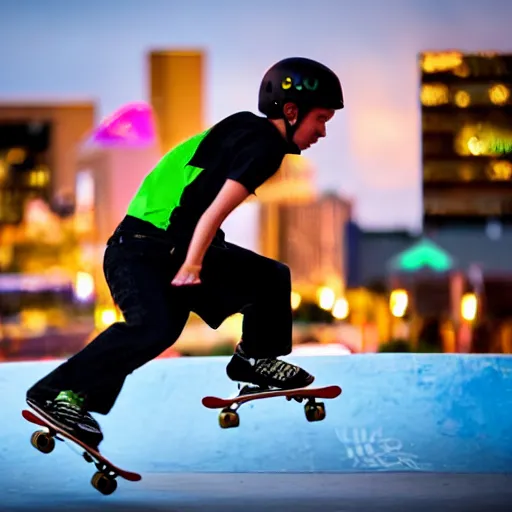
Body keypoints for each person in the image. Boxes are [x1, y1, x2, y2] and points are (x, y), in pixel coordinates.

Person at [25, 57, 344, 449]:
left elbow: (196, 200)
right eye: (322, 119)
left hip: (162, 247)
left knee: (261, 281)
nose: (323, 132)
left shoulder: (244, 128)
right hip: (143, 251)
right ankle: (59, 394)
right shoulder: (264, 146)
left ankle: (254, 359)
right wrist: (193, 265)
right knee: (154, 327)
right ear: (292, 112)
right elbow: (214, 210)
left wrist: (194, 259)